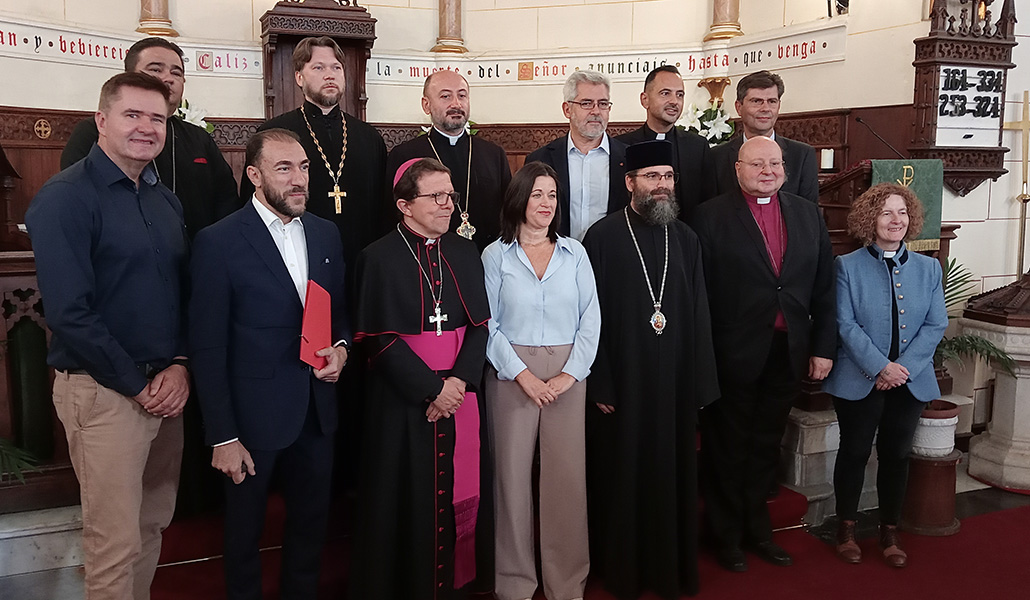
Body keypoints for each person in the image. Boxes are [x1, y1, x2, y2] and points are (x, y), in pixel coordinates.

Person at [26, 72, 190, 600]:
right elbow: (71, 314)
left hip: (166, 388)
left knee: (151, 526)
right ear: (101, 120)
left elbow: (181, 297)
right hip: (105, 392)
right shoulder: (65, 198)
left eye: (157, 119)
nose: (146, 128)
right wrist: (137, 386)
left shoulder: (164, 202)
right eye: (133, 115)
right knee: (113, 543)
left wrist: (181, 363)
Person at [189, 128, 350, 599]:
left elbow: (339, 309)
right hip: (251, 421)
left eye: (303, 167)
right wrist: (222, 434)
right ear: (254, 174)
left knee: (310, 527)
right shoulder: (218, 242)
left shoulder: (326, 232)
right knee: (243, 535)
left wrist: (340, 349)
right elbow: (208, 345)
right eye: (285, 168)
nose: (299, 179)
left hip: (316, 413)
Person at [582, 140, 719, 599]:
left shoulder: (685, 238)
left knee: (671, 476)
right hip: (621, 383)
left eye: (668, 177)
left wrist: (700, 381)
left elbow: (699, 311)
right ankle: (622, 570)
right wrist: (599, 378)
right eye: (652, 177)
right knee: (622, 475)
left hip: (674, 385)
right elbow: (587, 317)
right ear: (629, 183)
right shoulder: (600, 238)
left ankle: (668, 571)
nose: (662, 186)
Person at [349, 158, 490, 600]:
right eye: (437, 197)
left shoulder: (466, 253)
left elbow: (480, 327)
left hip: (459, 398)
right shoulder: (377, 257)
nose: (449, 205)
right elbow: (377, 340)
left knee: (460, 494)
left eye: (451, 195)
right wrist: (434, 390)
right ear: (405, 205)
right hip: (403, 406)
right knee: (404, 502)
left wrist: (459, 384)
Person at [694, 136, 836, 573]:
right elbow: (700, 294)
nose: (768, 170)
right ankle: (725, 535)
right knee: (728, 446)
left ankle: (758, 531)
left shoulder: (808, 214)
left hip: (787, 350)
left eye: (774, 163)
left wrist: (823, 348)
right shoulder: (710, 216)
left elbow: (825, 287)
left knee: (765, 445)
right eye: (758, 164)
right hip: (731, 352)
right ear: (738, 168)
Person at [482, 161, 600, 600]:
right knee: (511, 480)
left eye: (552, 195)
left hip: (569, 374)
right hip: (512, 374)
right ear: (519, 199)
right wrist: (523, 376)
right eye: (537, 194)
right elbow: (488, 325)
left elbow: (591, 319)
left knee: (566, 480)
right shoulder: (495, 255)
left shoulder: (576, 253)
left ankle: (566, 582)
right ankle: (514, 583)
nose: (546, 203)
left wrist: (571, 374)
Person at [822, 183, 947, 568]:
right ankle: (846, 527)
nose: (896, 220)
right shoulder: (847, 265)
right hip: (860, 377)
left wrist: (901, 370)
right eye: (886, 213)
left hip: (910, 379)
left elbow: (935, 322)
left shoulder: (929, 267)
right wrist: (880, 367)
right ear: (869, 220)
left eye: (902, 213)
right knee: (855, 452)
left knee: (896, 454)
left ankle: (889, 530)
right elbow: (844, 323)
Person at [61, 36, 240, 239]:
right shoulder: (93, 132)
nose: (168, 78)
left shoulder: (198, 137)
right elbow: (78, 198)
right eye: (156, 69)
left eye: (177, 73)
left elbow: (226, 199)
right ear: (129, 76)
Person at [243, 36, 389, 272]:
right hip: (295, 262)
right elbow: (253, 204)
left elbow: (383, 210)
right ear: (299, 77)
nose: (329, 75)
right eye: (318, 68)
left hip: (363, 262)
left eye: (336, 67)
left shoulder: (369, 138)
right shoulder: (273, 134)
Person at [387, 70, 512, 250]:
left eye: (462, 96)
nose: (456, 103)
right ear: (426, 105)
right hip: (425, 258)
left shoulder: (493, 154)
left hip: (485, 257)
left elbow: (508, 214)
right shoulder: (405, 155)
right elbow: (393, 216)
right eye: (446, 96)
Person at [527, 70, 628, 240]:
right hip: (556, 257)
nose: (596, 111)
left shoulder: (627, 158)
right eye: (587, 103)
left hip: (611, 257)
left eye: (603, 103)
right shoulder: (540, 159)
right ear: (567, 109)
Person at [704, 70, 819, 204]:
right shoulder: (717, 157)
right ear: (738, 107)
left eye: (772, 101)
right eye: (757, 101)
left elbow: (808, 214)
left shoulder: (802, 155)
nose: (765, 108)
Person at [616, 65, 709, 223]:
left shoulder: (697, 147)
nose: (674, 101)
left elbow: (706, 202)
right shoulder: (622, 146)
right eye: (665, 93)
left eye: (679, 95)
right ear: (645, 99)